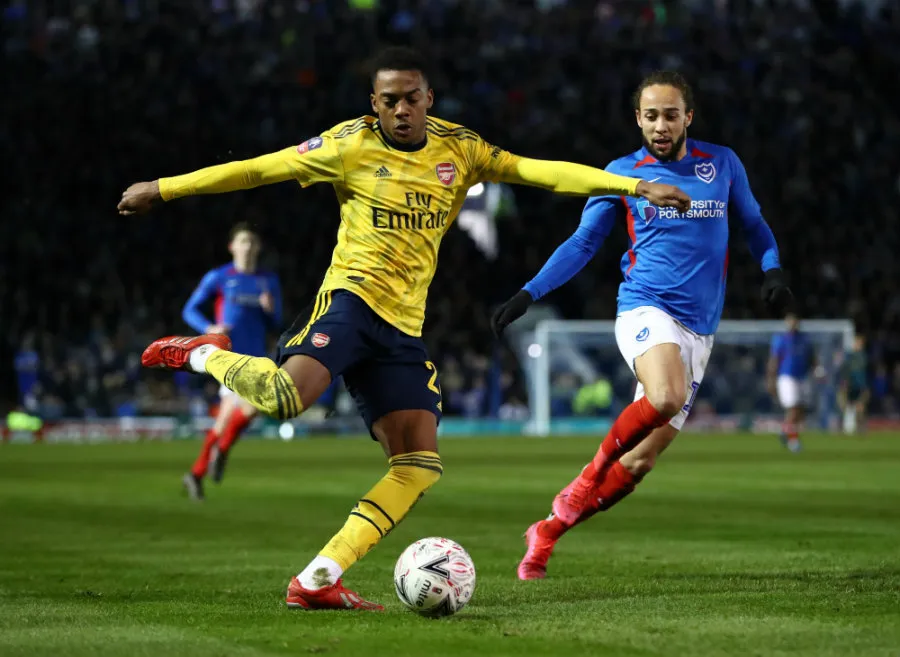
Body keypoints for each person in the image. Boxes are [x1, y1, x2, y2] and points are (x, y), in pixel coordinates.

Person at [117, 47, 690, 611]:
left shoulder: (459, 149)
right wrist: (165, 188)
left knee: (418, 466)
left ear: (427, 99)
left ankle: (319, 577)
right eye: (389, 101)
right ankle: (201, 354)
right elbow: (255, 169)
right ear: (374, 104)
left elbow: (538, 173)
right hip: (349, 303)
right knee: (284, 397)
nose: (401, 110)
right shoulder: (348, 145)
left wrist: (633, 186)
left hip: (401, 330)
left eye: (411, 99)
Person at [491, 70, 793, 581]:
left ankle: (545, 533)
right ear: (638, 118)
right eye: (650, 115)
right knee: (667, 395)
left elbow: (754, 224)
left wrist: (772, 269)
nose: (660, 124)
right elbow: (584, 243)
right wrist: (530, 292)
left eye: (670, 115)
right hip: (645, 308)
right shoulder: (622, 173)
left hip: (701, 328)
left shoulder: (721, 164)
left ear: (687, 118)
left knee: (637, 465)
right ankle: (584, 480)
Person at [181, 222, 282, 500]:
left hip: (257, 357)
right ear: (232, 247)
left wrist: (270, 309)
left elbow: (277, 321)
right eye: (243, 241)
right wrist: (209, 328)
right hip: (228, 356)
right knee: (248, 410)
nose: (247, 246)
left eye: (252, 241)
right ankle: (217, 455)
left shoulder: (268, 281)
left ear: (258, 247)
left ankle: (199, 470)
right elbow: (189, 310)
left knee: (231, 417)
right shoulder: (220, 276)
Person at [767, 312, 815, 453]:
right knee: (793, 409)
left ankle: (784, 430)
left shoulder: (805, 340)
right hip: (787, 377)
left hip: (802, 377)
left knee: (800, 409)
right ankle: (793, 441)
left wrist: (817, 370)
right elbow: (774, 360)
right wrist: (771, 379)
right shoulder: (781, 339)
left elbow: (811, 357)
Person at [837, 334, 869, 434]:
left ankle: (861, 428)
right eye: (857, 343)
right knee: (844, 405)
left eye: (860, 343)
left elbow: (865, 373)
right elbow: (844, 370)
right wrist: (844, 382)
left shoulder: (864, 357)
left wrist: (866, 385)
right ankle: (843, 427)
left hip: (860, 385)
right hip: (849, 385)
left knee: (860, 406)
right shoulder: (849, 356)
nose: (858, 345)